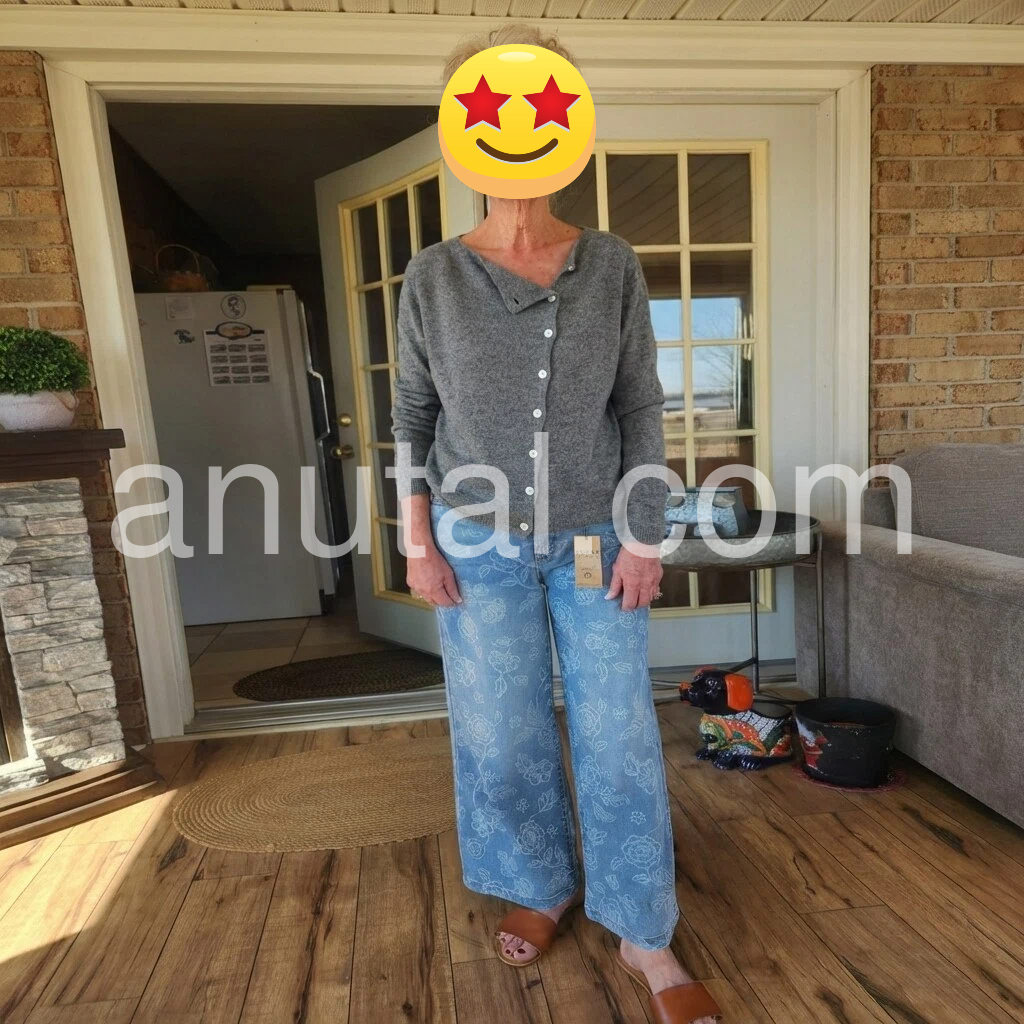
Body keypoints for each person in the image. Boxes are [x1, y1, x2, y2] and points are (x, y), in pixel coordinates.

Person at [391, 25, 721, 1024]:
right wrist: (415, 539)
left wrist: (646, 534)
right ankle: (540, 885)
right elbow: (411, 416)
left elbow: (640, 406)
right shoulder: (432, 277)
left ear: (569, 128)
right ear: (460, 135)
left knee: (618, 731)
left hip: (594, 536)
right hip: (475, 540)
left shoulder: (611, 265)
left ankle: (642, 929)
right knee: (500, 729)